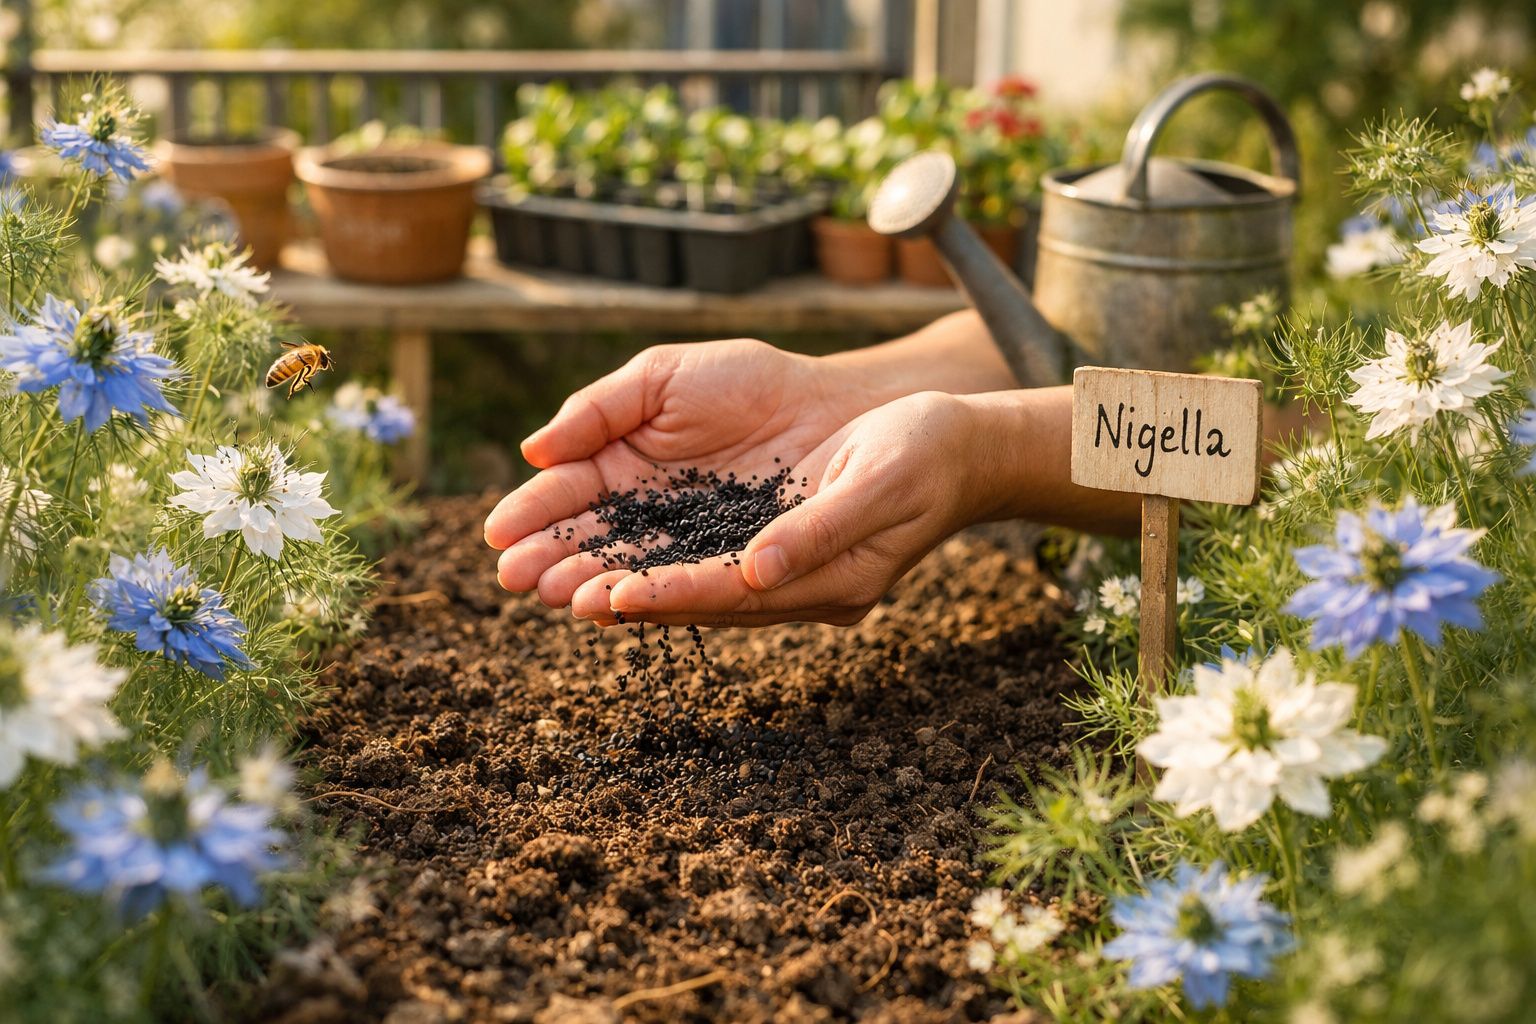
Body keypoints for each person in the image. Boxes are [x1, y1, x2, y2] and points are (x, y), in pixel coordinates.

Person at [484, 310, 1272, 627]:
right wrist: (833, 392)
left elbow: (1296, 445)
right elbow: (1059, 337)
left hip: (1240, 592)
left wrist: (982, 451)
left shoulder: (1357, 391)